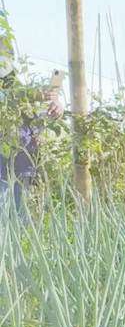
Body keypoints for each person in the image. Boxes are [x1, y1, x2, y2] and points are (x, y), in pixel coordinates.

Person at [0, 44, 64, 214]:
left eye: (6, 58)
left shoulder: (16, 84)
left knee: (20, 217)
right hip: (3, 164)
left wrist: (55, 107)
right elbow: (15, 95)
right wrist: (33, 93)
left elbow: (38, 115)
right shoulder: (19, 91)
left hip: (23, 162)